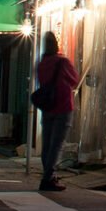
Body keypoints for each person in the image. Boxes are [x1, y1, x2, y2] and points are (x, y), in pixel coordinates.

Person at [34, 31, 81, 192]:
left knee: (47, 143)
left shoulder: (41, 64)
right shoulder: (63, 61)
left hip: (48, 106)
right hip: (63, 105)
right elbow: (75, 79)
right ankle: (48, 178)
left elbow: (41, 80)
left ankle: (48, 175)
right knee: (57, 144)